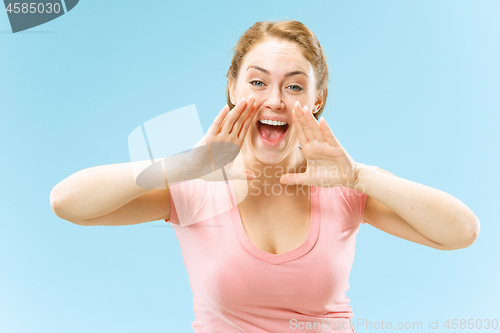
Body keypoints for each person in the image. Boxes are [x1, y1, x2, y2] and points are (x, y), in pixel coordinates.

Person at [50, 20, 480, 333]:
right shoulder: (195, 187)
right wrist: (182, 165)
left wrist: (357, 175)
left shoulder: (345, 187)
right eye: (258, 83)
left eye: (294, 87)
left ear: (317, 100)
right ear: (233, 89)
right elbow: (67, 202)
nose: (274, 100)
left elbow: (461, 231)